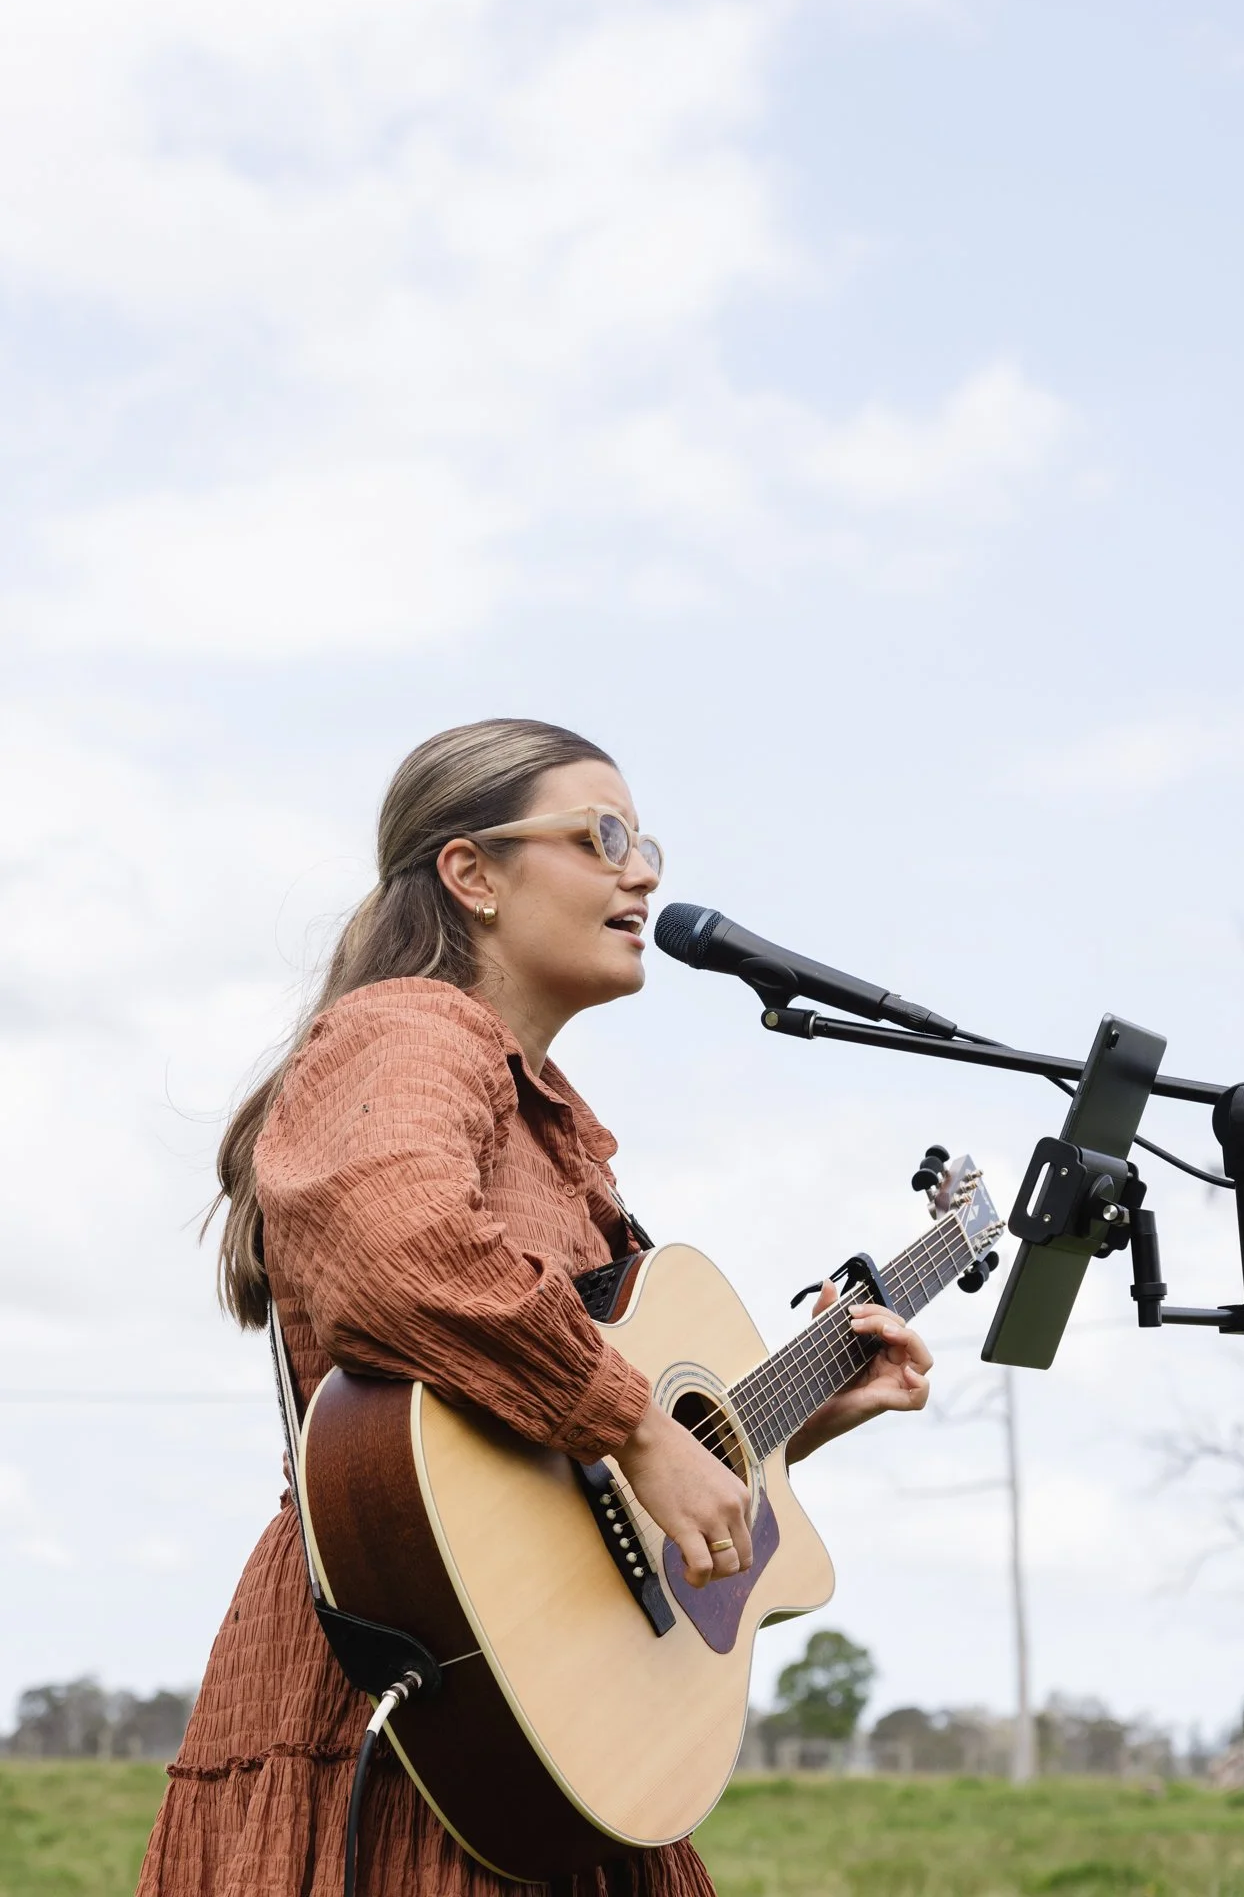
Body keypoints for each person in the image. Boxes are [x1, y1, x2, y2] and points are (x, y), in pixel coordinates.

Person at [137, 719, 933, 1897]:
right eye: (603, 835)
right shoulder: (407, 1027)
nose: (643, 873)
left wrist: (790, 1419)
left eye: (647, 843)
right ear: (473, 872)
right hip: (419, 1689)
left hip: (555, 1717)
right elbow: (396, 1247)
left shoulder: (551, 1122)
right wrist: (640, 1422)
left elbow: (573, 1459)